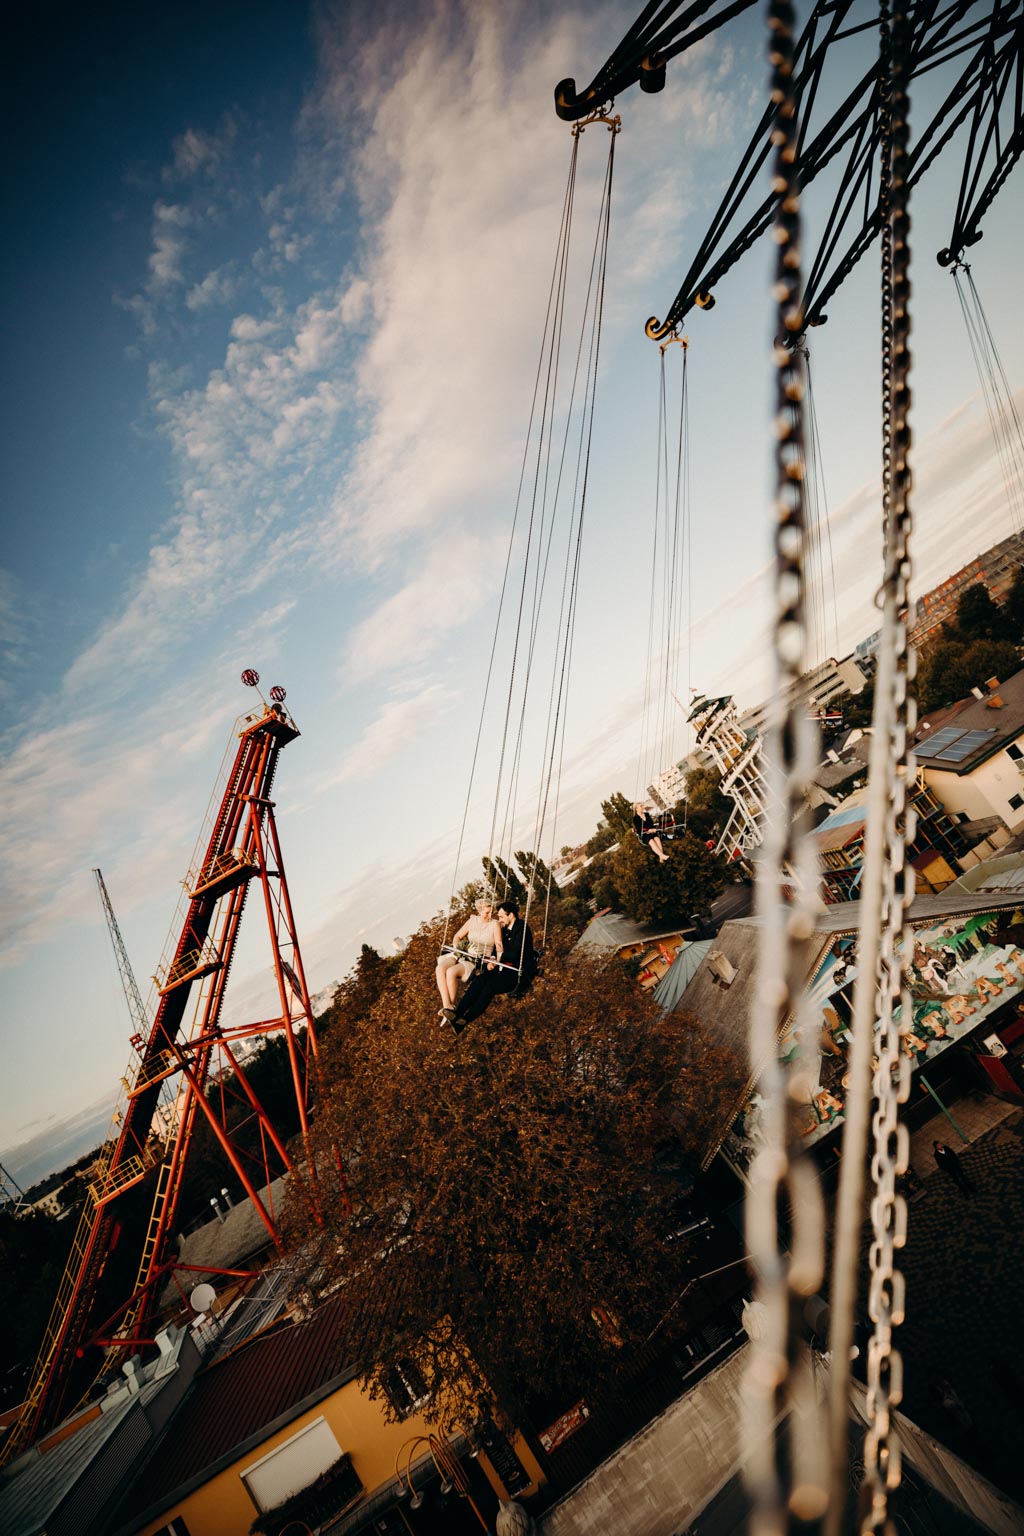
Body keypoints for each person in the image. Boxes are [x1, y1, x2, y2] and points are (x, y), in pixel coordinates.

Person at [445, 899, 537, 1030]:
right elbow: (496, 947)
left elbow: (515, 953)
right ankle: (457, 1013)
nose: (499, 920)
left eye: (501, 917)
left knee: (490, 987)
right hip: (502, 970)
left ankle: (466, 1020)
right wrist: (493, 958)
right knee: (479, 980)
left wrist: (498, 958)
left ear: (511, 915)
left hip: (516, 973)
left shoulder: (522, 928)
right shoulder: (505, 930)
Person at [436, 897, 502, 1016]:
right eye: (487, 912)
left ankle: (450, 1007)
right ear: (479, 911)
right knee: (440, 969)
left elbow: (498, 945)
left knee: (451, 972)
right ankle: (447, 1005)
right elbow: (457, 936)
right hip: (463, 952)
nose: (490, 915)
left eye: (491, 912)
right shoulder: (472, 920)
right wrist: (458, 948)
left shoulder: (495, 924)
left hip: (477, 958)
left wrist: (497, 960)